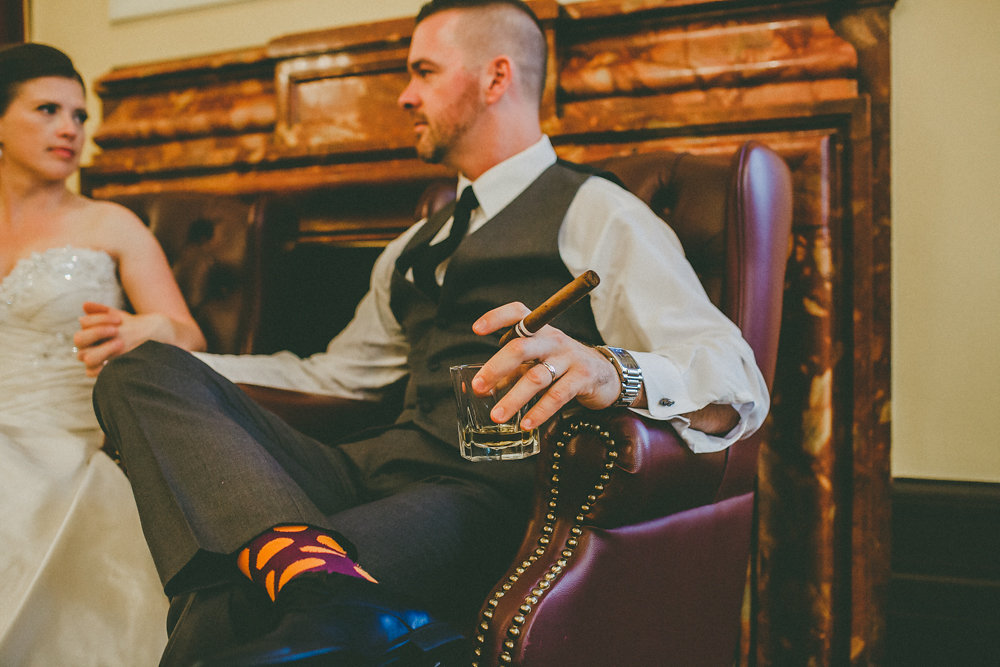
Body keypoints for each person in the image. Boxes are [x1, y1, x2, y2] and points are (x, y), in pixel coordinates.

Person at [94, 1, 770, 665]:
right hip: (370, 467)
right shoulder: (414, 245)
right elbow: (335, 376)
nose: (405, 96)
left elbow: (736, 379)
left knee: (231, 595)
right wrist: (192, 373)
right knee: (143, 368)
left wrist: (608, 370)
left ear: (496, 78)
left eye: (423, 72)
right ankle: (323, 588)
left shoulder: (599, 212)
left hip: (479, 497)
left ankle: (309, 588)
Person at [0, 43, 207, 665]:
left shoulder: (111, 224)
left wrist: (144, 328)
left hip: (69, 438)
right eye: (47, 110)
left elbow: (189, 334)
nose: (70, 128)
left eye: (79, 115)